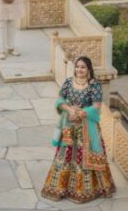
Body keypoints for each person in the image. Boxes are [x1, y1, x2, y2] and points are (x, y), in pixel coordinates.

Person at [41, 56, 116, 203]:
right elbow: (60, 100)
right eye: (77, 67)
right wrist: (70, 110)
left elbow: (97, 107)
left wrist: (81, 113)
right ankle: (60, 188)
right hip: (69, 125)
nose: (79, 70)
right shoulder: (69, 82)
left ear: (89, 70)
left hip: (87, 128)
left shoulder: (94, 85)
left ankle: (88, 190)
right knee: (65, 155)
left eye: (83, 67)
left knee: (85, 156)